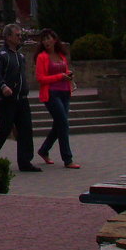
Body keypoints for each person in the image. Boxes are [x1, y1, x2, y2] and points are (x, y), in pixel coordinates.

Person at [0, 23, 42, 172]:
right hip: (7, 100)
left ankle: (25, 161)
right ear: (8, 37)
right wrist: (3, 87)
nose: (20, 37)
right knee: (4, 129)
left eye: (20, 35)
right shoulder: (1, 55)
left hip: (21, 99)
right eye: (17, 35)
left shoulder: (20, 56)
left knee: (26, 129)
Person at [34, 28, 80, 169]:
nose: (46, 41)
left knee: (59, 124)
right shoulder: (42, 57)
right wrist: (60, 76)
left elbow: (64, 71)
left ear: (54, 39)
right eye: (44, 39)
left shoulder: (61, 55)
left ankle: (43, 150)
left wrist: (68, 75)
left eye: (49, 38)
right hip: (51, 94)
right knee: (63, 124)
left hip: (64, 92)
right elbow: (40, 78)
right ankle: (68, 159)